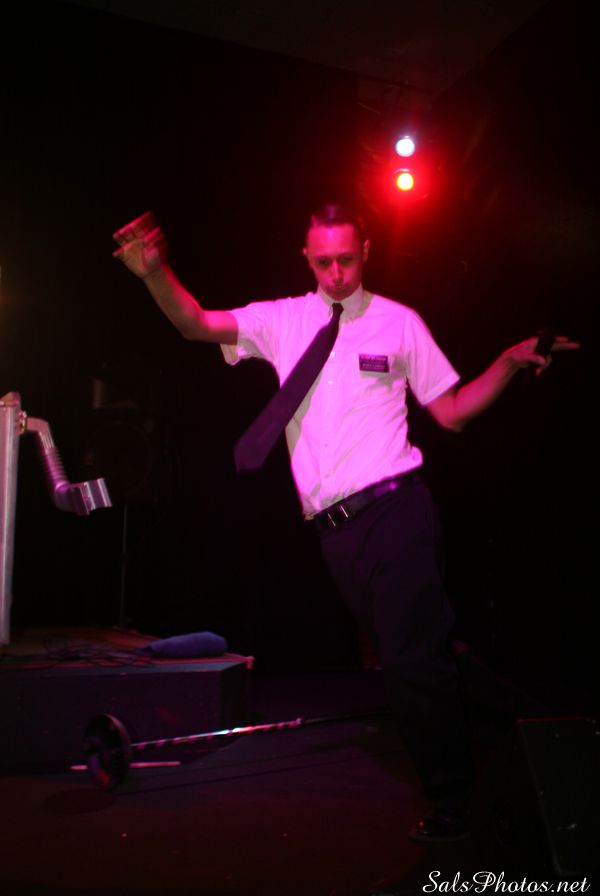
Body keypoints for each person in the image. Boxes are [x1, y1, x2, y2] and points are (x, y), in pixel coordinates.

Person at [112, 204, 578, 842]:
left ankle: (454, 802)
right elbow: (196, 323)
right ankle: (547, 733)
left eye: (347, 260)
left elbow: (451, 412)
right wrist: (154, 274)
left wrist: (507, 361)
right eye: (324, 261)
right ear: (306, 258)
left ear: (367, 252)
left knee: (411, 664)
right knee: (426, 654)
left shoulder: (398, 322)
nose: (336, 273)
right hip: (336, 533)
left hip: (397, 511)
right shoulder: (282, 320)